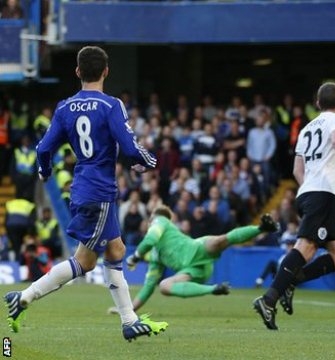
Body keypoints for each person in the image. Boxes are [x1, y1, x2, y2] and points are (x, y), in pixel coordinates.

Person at [4, 46, 168, 341]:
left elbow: (43, 149)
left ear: (78, 72)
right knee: (85, 262)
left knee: (115, 250)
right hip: (100, 190)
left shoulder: (65, 107)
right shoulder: (111, 105)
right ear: (106, 71)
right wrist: (148, 161)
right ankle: (24, 297)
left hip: (82, 186)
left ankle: (129, 320)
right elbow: (130, 148)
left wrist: (45, 171)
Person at [253, 82, 335, 330]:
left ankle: (291, 281)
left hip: (307, 193)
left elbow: (297, 169)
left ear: (317, 103)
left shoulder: (306, 128)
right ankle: (269, 298)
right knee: (305, 246)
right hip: (321, 194)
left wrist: (310, 189)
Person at [119, 205, 279, 313]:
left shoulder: (160, 221)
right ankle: (215, 289)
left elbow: (150, 240)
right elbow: (148, 287)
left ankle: (262, 228)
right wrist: (128, 310)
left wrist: (135, 257)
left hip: (197, 248)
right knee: (164, 286)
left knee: (219, 240)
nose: (151, 223)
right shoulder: (155, 257)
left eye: (152, 220)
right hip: (193, 271)